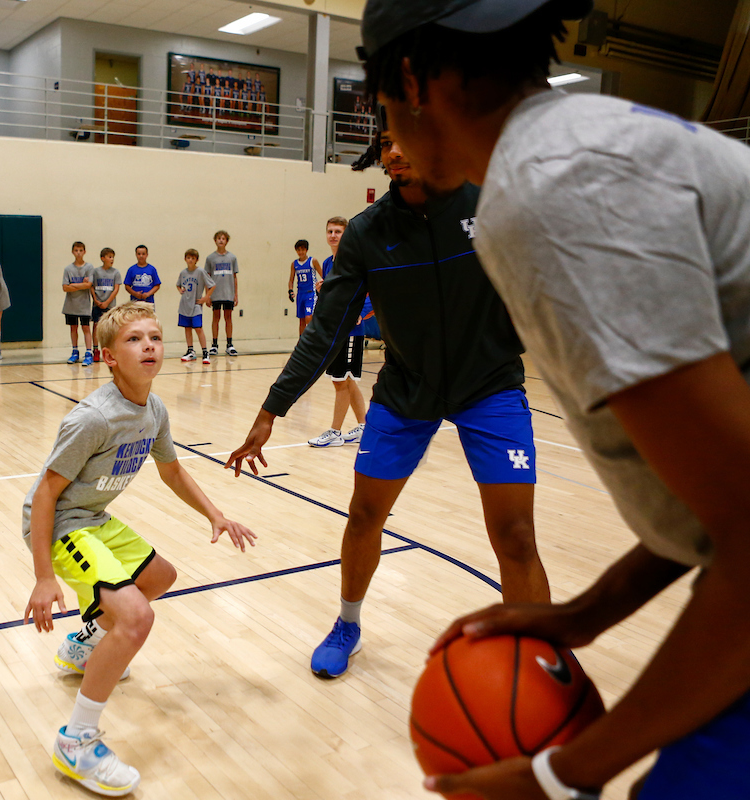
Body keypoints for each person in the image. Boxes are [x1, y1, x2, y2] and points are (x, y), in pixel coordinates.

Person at [359, 1, 750, 798]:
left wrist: (564, 774)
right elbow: (719, 495)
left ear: (408, 79)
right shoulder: (590, 138)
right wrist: (586, 615)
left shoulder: (553, 192)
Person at [226, 120, 551, 681]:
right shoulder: (366, 234)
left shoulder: (489, 200)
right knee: (364, 514)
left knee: (517, 534)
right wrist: (271, 410)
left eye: (409, 138)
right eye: (386, 143)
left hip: (490, 385)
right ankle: (348, 624)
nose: (395, 151)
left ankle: (544, 657)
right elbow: (325, 330)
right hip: (405, 392)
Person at [23, 301, 256, 797]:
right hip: (63, 525)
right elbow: (45, 494)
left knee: (160, 577)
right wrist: (44, 576)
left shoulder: (154, 410)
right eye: (133, 339)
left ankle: (85, 644)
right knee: (135, 619)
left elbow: (171, 469)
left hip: (94, 519)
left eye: (154, 336)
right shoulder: (93, 419)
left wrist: (215, 515)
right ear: (108, 357)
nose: (148, 344)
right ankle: (77, 741)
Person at [307, 216, 369, 448]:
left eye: (338, 231)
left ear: (347, 234)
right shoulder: (327, 262)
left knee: (341, 381)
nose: (333, 235)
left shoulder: (356, 260)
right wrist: (323, 291)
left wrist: (362, 311)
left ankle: (335, 432)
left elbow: (371, 289)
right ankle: (364, 426)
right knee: (345, 380)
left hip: (351, 330)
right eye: (330, 231)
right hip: (336, 329)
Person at [176, 249, 215, 364]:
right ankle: (190, 351)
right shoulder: (183, 273)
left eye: (193, 258)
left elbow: (212, 285)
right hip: (184, 305)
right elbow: (178, 285)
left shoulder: (201, 272)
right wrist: (180, 290)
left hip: (196, 305)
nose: (190, 260)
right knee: (187, 328)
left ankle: (205, 352)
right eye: (189, 258)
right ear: (185, 259)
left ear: (197, 260)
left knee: (198, 328)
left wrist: (206, 297)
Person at [204, 230, 239, 357]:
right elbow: (207, 278)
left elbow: (235, 277)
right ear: (215, 241)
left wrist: (236, 294)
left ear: (227, 241)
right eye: (218, 238)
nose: (221, 240)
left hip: (228, 293)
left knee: (228, 318)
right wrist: (207, 295)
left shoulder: (232, 258)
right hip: (216, 294)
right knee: (216, 318)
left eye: (223, 238)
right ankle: (214, 345)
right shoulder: (210, 258)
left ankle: (229, 344)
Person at [63, 241, 95, 366]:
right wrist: (82, 285)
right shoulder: (68, 269)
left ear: (84, 252)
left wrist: (74, 285)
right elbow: (65, 287)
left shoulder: (89, 267)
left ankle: (88, 352)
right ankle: (75, 351)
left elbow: (89, 285)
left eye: (81, 250)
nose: (78, 253)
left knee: (86, 328)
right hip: (71, 304)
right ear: (72, 252)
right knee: (73, 328)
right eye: (76, 250)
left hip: (84, 305)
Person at [88, 248, 122, 363]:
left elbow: (116, 289)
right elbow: (91, 286)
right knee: (96, 326)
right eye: (109, 257)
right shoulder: (96, 271)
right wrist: (96, 299)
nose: (111, 259)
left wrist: (107, 302)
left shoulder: (115, 272)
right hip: (97, 304)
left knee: (111, 328)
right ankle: (96, 350)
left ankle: (111, 350)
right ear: (103, 258)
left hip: (110, 305)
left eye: (113, 257)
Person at [288, 240, 320, 335]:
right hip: (300, 294)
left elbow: (323, 275)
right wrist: (290, 290)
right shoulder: (294, 264)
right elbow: (291, 280)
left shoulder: (312, 261)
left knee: (308, 317)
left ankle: (311, 340)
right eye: (298, 250)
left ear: (306, 250)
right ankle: (301, 342)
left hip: (311, 293)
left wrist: (320, 288)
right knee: (301, 320)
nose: (300, 252)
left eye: (302, 249)